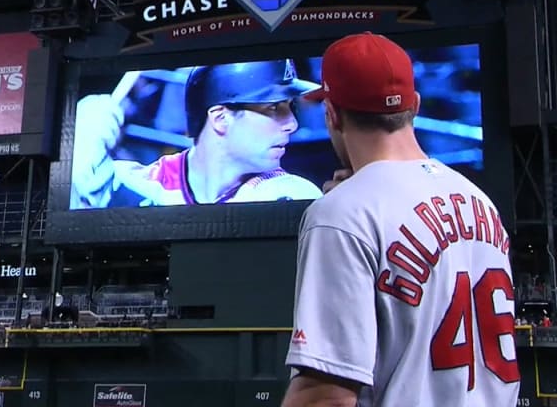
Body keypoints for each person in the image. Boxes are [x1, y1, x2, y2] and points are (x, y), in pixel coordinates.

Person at [281, 32, 519, 407]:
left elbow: (325, 396)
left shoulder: (341, 213)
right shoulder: (481, 203)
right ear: (416, 105)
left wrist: (346, 206)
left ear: (332, 114)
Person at [71, 58, 323, 207]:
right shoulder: (138, 182)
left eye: (290, 107)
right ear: (220, 118)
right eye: (273, 108)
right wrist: (75, 143)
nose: (292, 124)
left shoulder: (291, 193)